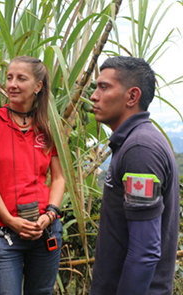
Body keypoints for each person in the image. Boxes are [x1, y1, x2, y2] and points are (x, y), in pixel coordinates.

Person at [0, 56, 65, 295]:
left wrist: (50, 214)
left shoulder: (48, 125)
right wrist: (10, 220)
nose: (12, 84)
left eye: (21, 78)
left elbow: (59, 178)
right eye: (10, 77)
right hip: (3, 233)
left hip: (45, 231)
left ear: (38, 86)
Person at [89, 56, 180, 295]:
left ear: (132, 96)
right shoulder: (134, 142)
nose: (94, 96)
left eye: (104, 87)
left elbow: (145, 252)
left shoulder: (140, 150)